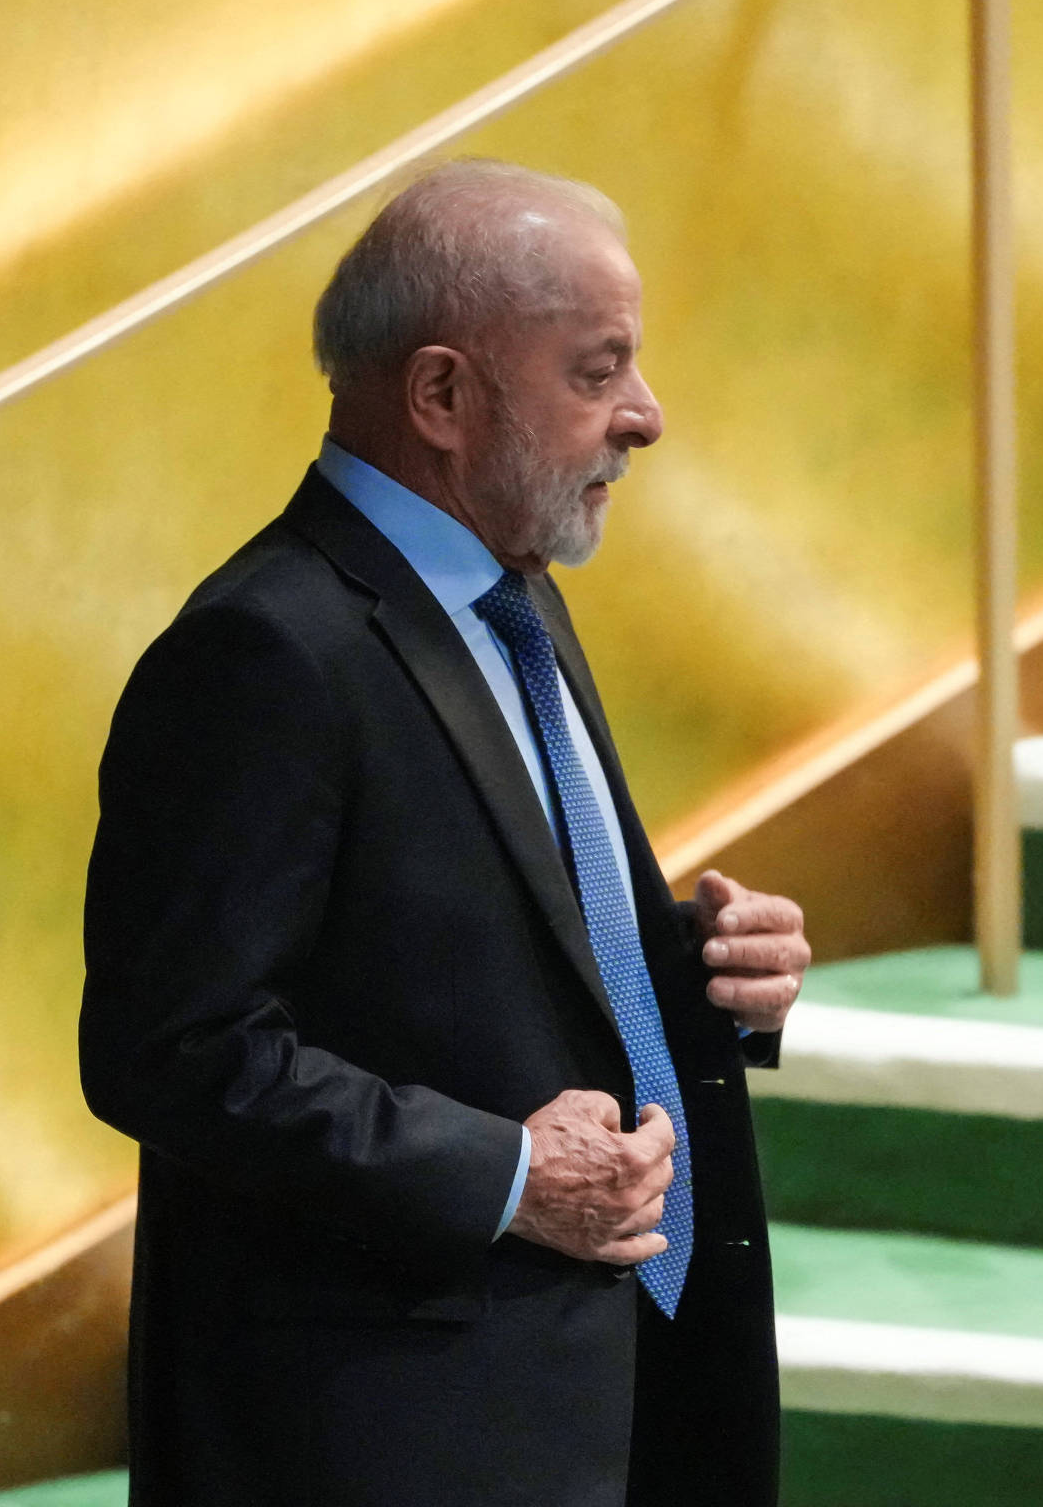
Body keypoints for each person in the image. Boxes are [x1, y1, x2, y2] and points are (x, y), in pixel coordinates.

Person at [79, 159, 809, 1507]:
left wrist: (700, 971)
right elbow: (173, 1051)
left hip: (609, 1397)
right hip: (390, 1442)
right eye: (598, 371)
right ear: (442, 397)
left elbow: (471, 946)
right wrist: (510, 1173)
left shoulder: (513, 597)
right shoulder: (262, 652)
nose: (645, 415)